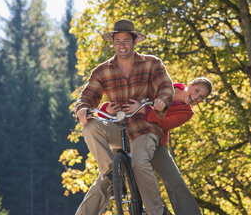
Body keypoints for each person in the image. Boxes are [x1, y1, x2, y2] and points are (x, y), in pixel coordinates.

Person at [75, 19, 175, 215]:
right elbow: (87, 96)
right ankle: (113, 177)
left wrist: (161, 100)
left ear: (134, 41)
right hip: (117, 126)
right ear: (112, 43)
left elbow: (165, 87)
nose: (122, 45)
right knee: (91, 127)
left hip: (145, 127)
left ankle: (156, 212)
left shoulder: (152, 63)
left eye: (126, 41)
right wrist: (82, 109)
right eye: (118, 40)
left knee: (139, 164)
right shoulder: (102, 70)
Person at [76, 77, 213, 215]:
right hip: (125, 133)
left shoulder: (187, 112)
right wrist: (107, 109)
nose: (196, 97)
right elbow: (127, 98)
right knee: (105, 182)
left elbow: (165, 123)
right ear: (189, 85)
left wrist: (144, 111)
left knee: (175, 181)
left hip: (154, 143)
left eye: (201, 97)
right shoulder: (162, 87)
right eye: (196, 91)